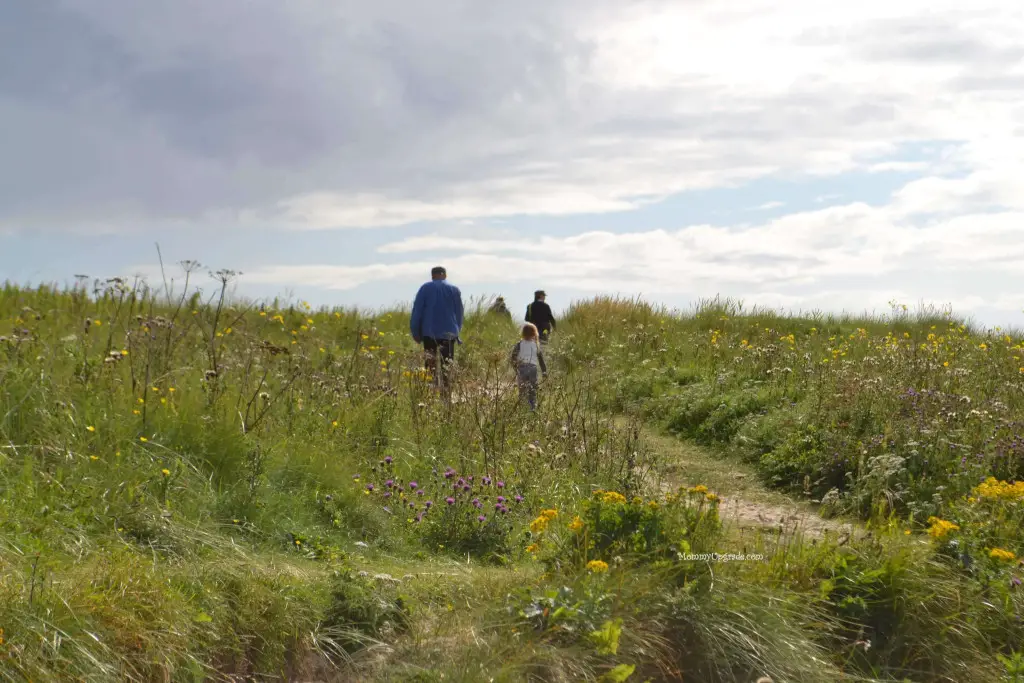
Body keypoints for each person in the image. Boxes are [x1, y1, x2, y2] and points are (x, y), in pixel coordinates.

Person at [410, 266, 464, 392]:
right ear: (445, 275)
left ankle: (431, 394)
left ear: (432, 276)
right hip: (449, 333)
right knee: (447, 366)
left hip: (429, 332)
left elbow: (417, 311)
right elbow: (459, 313)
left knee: (430, 366)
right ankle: (447, 395)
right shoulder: (454, 289)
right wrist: (457, 330)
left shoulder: (425, 288)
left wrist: (415, 332)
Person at [509, 323, 547, 410]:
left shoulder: (519, 344)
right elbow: (541, 360)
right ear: (534, 333)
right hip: (533, 369)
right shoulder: (536, 345)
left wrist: (516, 369)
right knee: (532, 390)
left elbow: (513, 357)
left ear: (523, 333)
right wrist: (544, 372)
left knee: (522, 391)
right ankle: (532, 408)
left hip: (522, 369)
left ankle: (522, 409)